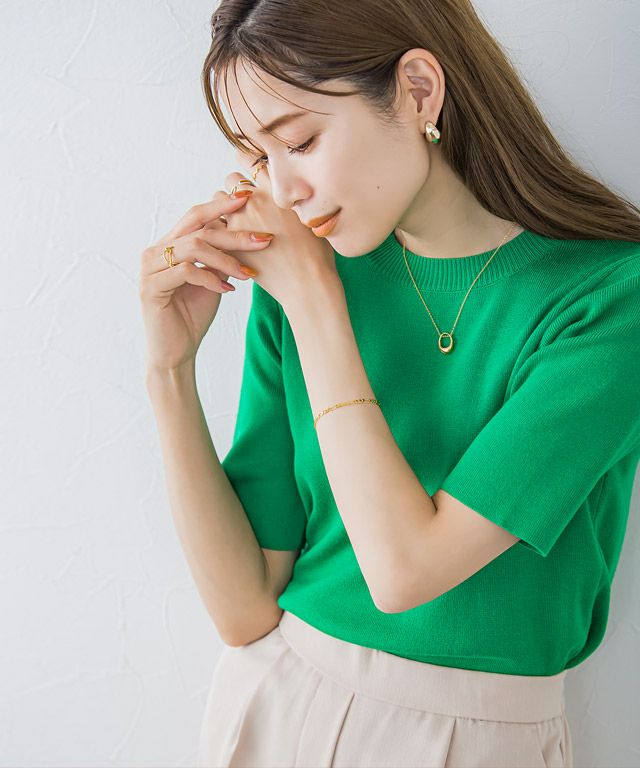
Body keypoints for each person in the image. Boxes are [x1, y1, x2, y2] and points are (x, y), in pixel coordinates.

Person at [139, 1, 640, 766]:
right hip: (280, 703)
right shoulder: (305, 277)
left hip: (478, 738)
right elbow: (244, 609)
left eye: (300, 142)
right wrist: (168, 369)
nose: (285, 191)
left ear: (418, 90)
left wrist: (314, 300)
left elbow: (406, 573)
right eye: (259, 159)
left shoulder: (607, 300)